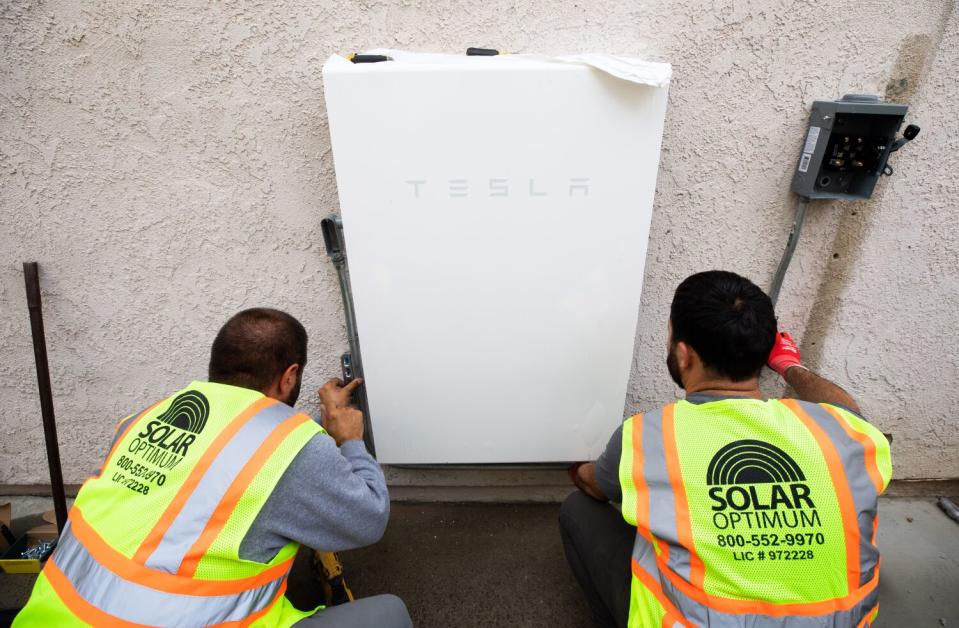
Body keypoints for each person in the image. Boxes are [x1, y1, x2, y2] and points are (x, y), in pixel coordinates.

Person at [14, 308, 412, 627]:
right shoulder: (287, 446)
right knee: (389, 614)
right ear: (290, 376)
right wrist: (349, 440)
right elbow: (368, 518)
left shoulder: (147, 417)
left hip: (48, 616)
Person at [559, 271, 891, 627]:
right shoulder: (843, 432)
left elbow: (593, 484)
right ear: (764, 354)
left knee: (579, 509)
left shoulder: (649, 436)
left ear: (683, 355)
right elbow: (850, 411)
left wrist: (575, 468)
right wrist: (789, 365)